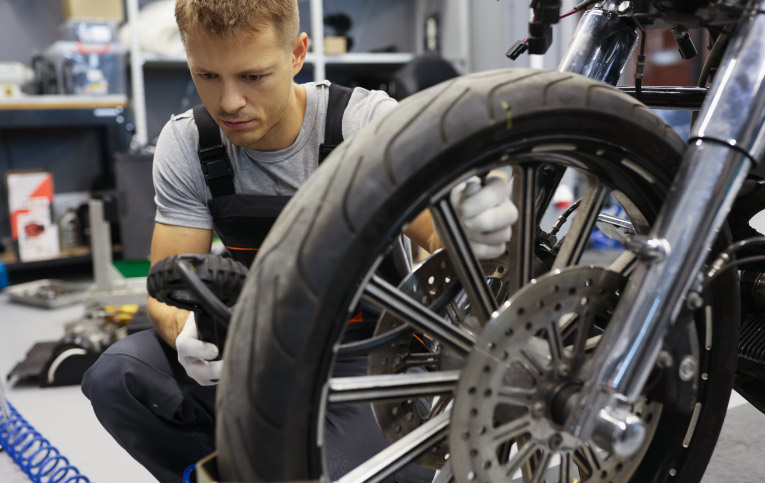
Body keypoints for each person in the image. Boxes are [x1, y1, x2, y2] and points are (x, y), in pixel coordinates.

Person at [81, 1, 518, 482]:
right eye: (206, 75)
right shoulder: (189, 143)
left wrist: (469, 227)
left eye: (252, 77)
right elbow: (165, 287)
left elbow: (436, 230)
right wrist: (188, 334)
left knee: (326, 471)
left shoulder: (362, 123)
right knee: (120, 376)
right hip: (255, 344)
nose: (228, 102)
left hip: (368, 355)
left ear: (296, 54)